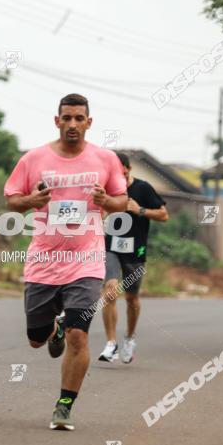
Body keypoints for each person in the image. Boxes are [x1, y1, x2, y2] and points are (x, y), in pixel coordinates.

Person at [4, 93, 128, 430]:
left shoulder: (105, 159)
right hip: (44, 261)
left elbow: (122, 199)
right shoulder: (34, 159)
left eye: (79, 118)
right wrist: (32, 199)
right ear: (57, 121)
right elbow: (13, 199)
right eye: (67, 118)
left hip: (86, 261)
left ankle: (64, 405)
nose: (72, 124)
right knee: (35, 338)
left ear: (89, 122)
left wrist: (108, 200)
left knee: (79, 337)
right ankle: (52, 328)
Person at [98, 151, 168, 364]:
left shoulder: (143, 188)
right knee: (110, 291)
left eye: (121, 171)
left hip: (135, 250)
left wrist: (141, 210)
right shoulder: (108, 188)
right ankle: (111, 344)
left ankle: (129, 338)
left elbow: (164, 215)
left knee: (131, 299)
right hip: (111, 247)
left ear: (128, 169)